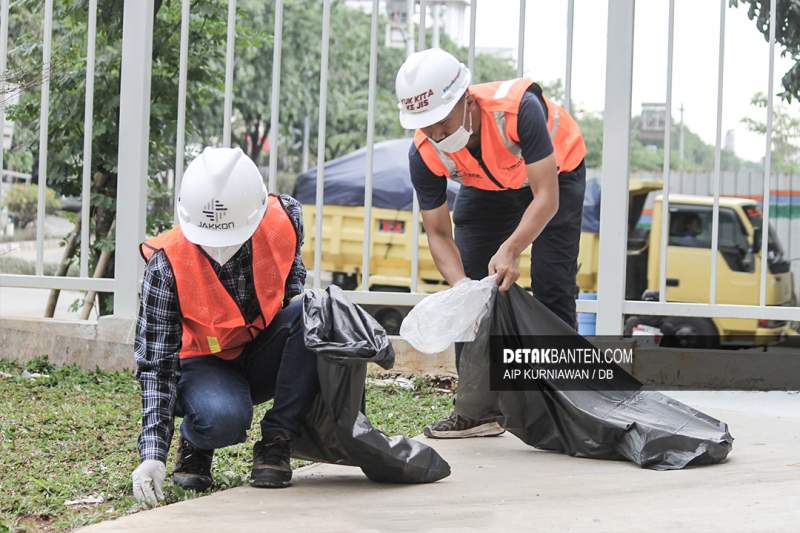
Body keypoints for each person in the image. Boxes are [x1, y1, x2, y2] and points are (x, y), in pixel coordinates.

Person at [395, 48, 587, 439]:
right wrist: (460, 287)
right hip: (489, 187)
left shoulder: (518, 111)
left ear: (466, 100)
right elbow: (437, 232)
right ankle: (478, 411)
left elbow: (546, 198)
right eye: (425, 125)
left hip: (556, 174)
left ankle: (567, 403)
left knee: (553, 282)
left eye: (441, 122)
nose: (436, 135)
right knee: (473, 299)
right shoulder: (424, 152)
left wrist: (512, 248)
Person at [131, 147, 317, 506]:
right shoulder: (166, 265)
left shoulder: (285, 218)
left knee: (312, 313)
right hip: (204, 362)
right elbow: (156, 365)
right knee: (223, 419)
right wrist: (152, 454)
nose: (220, 250)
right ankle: (197, 441)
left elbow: (291, 270)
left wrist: (295, 303)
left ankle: (277, 441)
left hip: (260, 348)